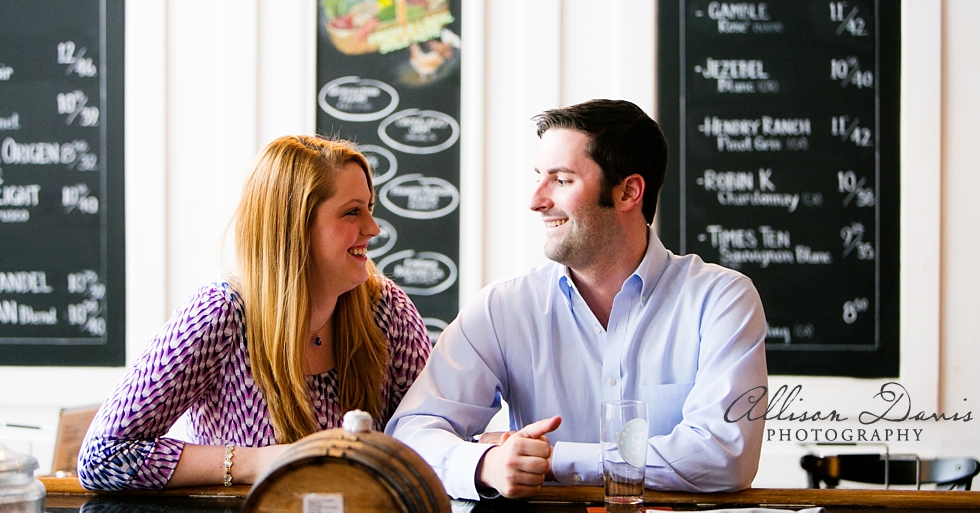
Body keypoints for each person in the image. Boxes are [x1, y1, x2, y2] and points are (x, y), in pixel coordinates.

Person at [387, 100, 767, 500]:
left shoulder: (720, 299)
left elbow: (724, 456)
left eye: (562, 180)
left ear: (628, 192)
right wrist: (486, 464)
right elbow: (410, 437)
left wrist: (553, 460)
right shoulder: (503, 309)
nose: (536, 200)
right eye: (538, 177)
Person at [78, 136, 431, 490]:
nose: (373, 228)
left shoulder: (388, 310)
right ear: (294, 225)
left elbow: (429, 438)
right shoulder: (221, 314)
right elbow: (102, 456)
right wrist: (254, 461)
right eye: (353, 211)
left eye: (369, 208)